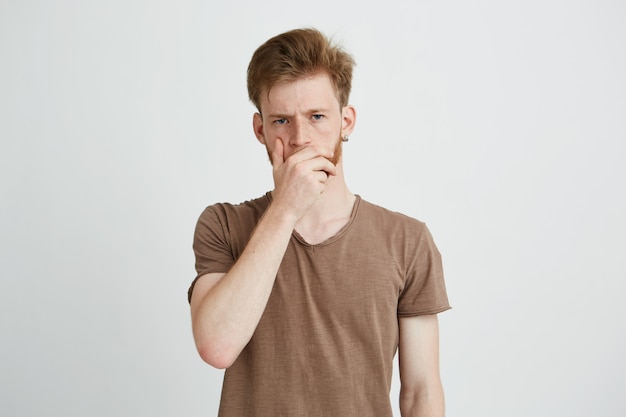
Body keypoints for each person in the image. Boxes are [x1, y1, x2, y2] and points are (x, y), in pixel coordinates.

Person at [188, 28, 450, 417]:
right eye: (281, 121)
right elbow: (217, 347)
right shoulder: (223, 225)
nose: (300, 138)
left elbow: (421, 392)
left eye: (316, 117)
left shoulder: (407, 240)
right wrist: (285, 210)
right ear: (260, 130)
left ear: (346, 121)